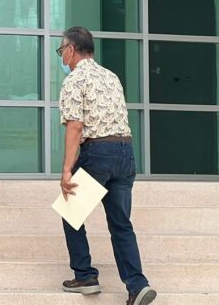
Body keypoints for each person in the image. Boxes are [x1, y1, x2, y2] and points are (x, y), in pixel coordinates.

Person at [57, 26, 157, 305]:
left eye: (61, 50)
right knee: (121, 224)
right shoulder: (111, 76)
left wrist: (66, 170)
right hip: (125, 153)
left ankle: (85, 275)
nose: (61, 56)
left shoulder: (75, 80)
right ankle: (137, 285)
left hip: (99, 153)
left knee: (70, 210)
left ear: (71, 49)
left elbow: (76, 127)